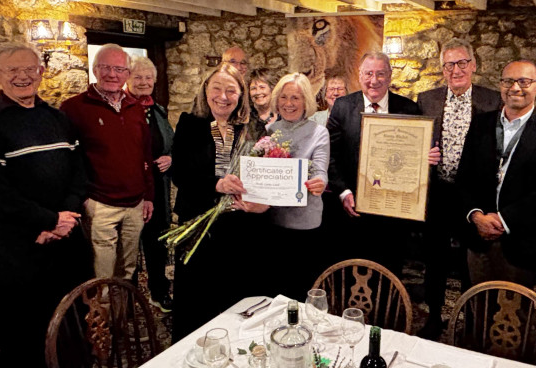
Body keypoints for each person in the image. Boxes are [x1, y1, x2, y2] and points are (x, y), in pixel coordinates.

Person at [0, 42, 90, 367]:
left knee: (74, 331)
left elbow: (80, 176)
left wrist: (64, 220)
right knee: (26, 343)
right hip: (21, 255)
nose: (22, 76)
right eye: (12, 70)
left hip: (67, 249)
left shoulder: (58, 119)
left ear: (41, 72)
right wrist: (49, 220)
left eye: (29, 69)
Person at [454, 60, 536, 288]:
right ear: (501, 85)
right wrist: (477, 216)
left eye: (524, 81)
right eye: (508, 81)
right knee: (475, 310)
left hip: (522, 242)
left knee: (513, 316)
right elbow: (464, 177)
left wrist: (504, 219)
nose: (515, 88)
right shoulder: (480, 124)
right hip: (478, 238)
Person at [171, 62, 267, 342]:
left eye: (231, 90)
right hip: (198, 226)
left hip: (237, 227)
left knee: (233, 294)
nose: (223, 96)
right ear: (205, 90)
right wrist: (217, 184)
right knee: (197, 297)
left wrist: (261, 199)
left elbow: (260, 172)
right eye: (217, 88)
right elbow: (180, 174)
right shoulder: (190, 123)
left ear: (241, 95)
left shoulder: (250, 128)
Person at [416, 38, 501, 339]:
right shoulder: (426, 99)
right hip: (438, 192)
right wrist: (422, 155)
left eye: (462, 63)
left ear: (473, 66)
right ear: (442, 70)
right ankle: (434, 315)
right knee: (434, 260)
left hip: (474, 197)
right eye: (449, 65)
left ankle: (472, 320)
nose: (456, 70)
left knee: (472, 260)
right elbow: (416, 140)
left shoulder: (493, 100)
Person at [327, 51, 439, 274]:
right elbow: (330, 155)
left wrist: (426, 158)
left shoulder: (409, 108)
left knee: (390, 269)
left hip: (393, 212)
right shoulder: (342, 106)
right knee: (353, 270)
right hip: (354, 206)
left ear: (389, 76)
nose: (374, 80)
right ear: (359, 76)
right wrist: (343, 192)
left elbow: (415, 154)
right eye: (368, 73)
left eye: (380, 74)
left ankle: (390, 308)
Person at [61, 44, 154, 282]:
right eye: (106, 67)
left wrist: (149, 196)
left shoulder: (135, 107)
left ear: (127, 74)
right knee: (101, 273)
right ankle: (102, 316)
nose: (112, 74)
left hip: (135, 204)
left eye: (119, 69)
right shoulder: (74, 108)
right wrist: (83, 199)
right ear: (94, 69)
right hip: (100, 204)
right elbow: (67, 160)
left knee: (128, 269)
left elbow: (145, 154)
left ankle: (123, 315)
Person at [267, 72, 329, 297]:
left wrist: (320, 182)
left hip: (305, 222)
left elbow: (321, 170)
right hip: (273, 220)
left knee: (303, 286)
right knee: (275, 285)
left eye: (295, 98)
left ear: (306, 102)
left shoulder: (319, 132)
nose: (288, 103)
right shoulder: (269, 131)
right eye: (284, 97)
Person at [125, 56, 174, 313]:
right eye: (138, 77)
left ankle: (159, 292)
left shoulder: (159, 111)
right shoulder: (121, 110)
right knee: (129, 247)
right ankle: (129, 301)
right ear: (128, 79)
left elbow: (172, 143)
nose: (143, 82)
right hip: (132, 191)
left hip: (158, 189)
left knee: (157, 243)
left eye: (148, 78)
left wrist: (171, 158)